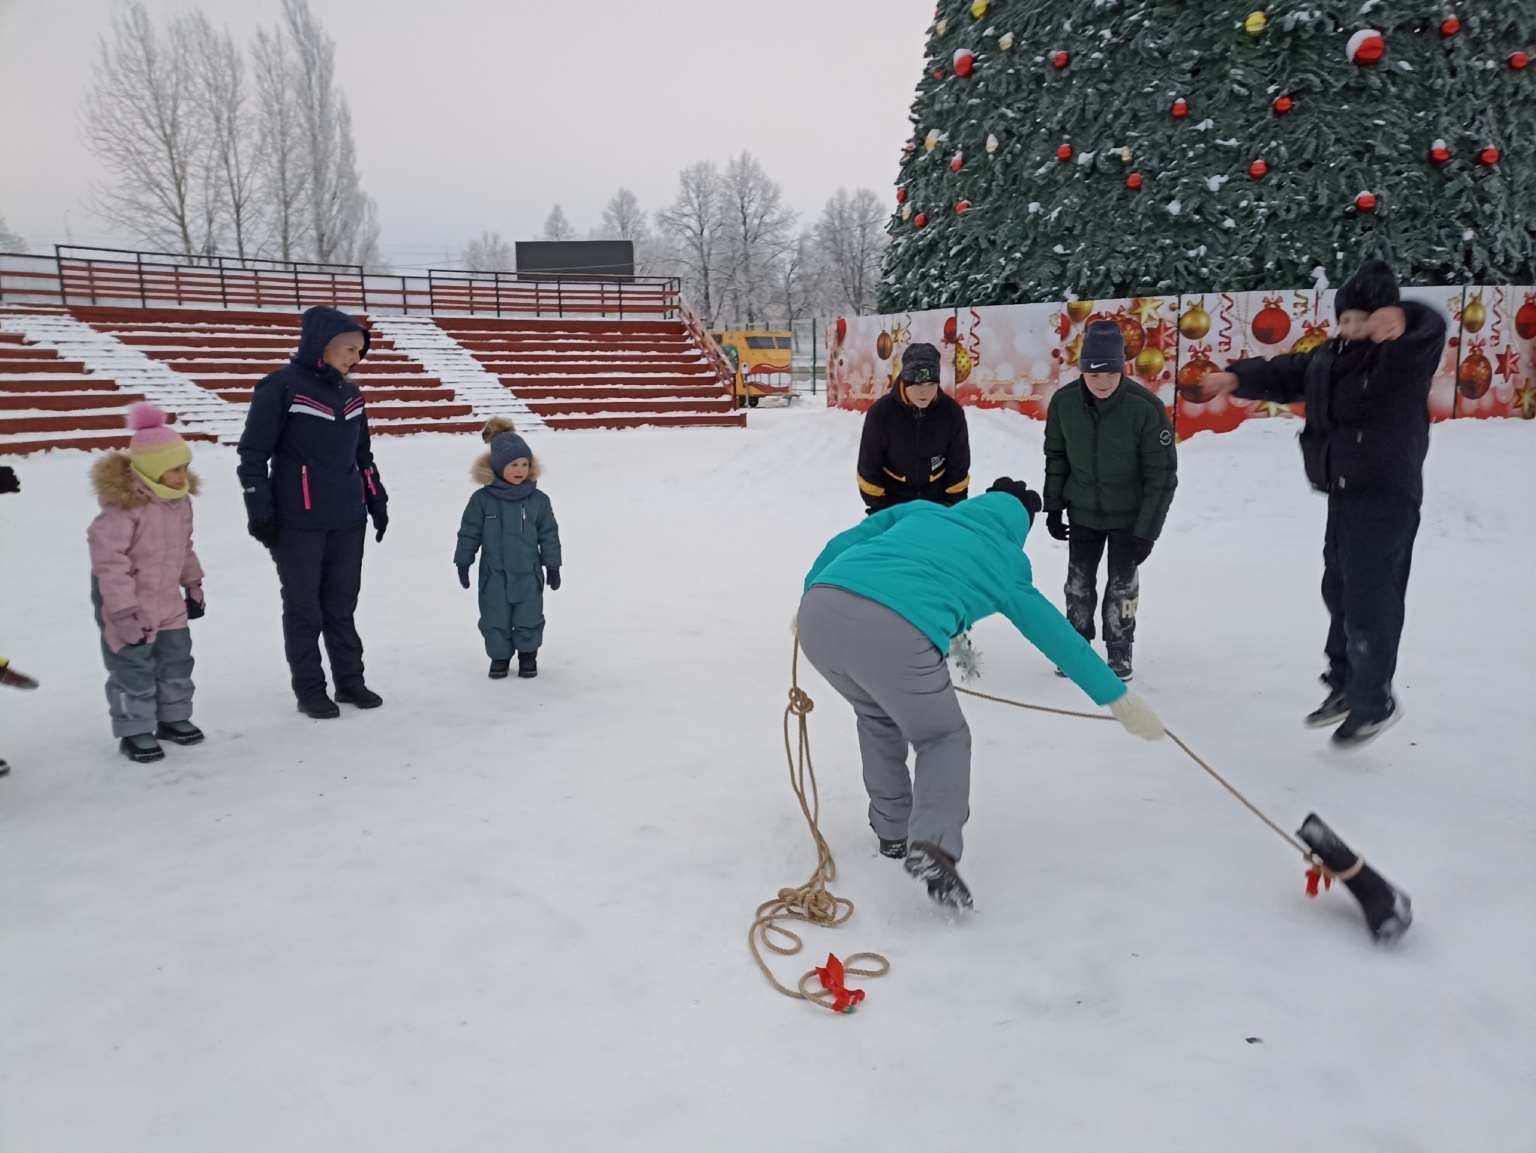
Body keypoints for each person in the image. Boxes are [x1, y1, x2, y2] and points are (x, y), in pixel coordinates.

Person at [796, 477, 1166, 911]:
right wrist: (1118, 699)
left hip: (819, 614)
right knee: (942, 737)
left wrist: (810, 592)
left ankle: (892, 832)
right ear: (1020, 527)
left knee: (877, 716)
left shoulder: (923, 511)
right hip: (896, 633)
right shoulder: (1007, 563)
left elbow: (845, 540)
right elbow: (1057, 636)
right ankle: (931, 844)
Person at [1188, 260, 1445, 749]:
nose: (1351, 329)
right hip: (1344, 492)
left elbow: (1427, 333)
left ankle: (1375, 701)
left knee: (1372, 597)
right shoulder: (1331, 357)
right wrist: (1235, 379)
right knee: (1339, 590)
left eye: (1362, 321)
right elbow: (1288, 371)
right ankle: (1346, 685)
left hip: (1386, 495)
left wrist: (1406, 318)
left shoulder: (1398, 359)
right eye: (1345, 320)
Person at [237, 306, 389, 720]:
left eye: (360, 351)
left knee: (341, 604)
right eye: (349, 349)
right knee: (305, 607)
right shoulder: (280, 388)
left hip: (347, 518)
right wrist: (260, 510)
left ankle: (350, 681)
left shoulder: (352, 395)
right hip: (298, 521)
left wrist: (376, 500)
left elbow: (363, 457)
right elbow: (253, 455)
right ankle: (309, 688)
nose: (355, 358)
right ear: (323, 345)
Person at [1043, 319, 1178, 682]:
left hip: (1128, 518)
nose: (1102, 382)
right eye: (1093, 374)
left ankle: (1120, 649)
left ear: (1123, 368)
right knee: (1078, 585)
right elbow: (1056, 456)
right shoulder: (1064, 403)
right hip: (1083, 511)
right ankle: (1075, 647)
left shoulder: (1145, 409)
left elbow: (1161, 476)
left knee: (1122, 587)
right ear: (1083, 370)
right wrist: (1053, 506)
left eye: (1110, 373)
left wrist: (1147, 531)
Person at [86, 404, 206, 763]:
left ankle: (172, 718)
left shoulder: (179, 502)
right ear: (153, 470)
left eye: (185, 466)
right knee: (133, 665)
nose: (184, 474)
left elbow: (184, 547)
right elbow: (109, 564)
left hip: (167, 597)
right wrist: (122, 611)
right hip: (128, 601)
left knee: (176, 659)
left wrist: (194, 585)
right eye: (175, 468)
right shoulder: (123, 509)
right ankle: (135, 728)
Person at [455, 420, 562, 680]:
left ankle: (528, 656)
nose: (519, 470)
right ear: (498, 467)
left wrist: (553, 565)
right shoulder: (482, 500)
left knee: (530, 616)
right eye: (513, 465)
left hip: (528, 573)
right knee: (494, 618)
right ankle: (499, 657)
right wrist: (463, 561)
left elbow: (549, 534)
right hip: (494, 575)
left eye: (524, 464)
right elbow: (470, 532)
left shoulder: (538, 500)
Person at [855, 342, 971, 514]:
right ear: (905, 381)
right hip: (891, 505)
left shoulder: (951, 413)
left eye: (931, 384)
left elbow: (958, 468)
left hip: (938, 505)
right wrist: (879, 510)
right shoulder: (881, 413)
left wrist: (951, 508)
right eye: (917, 385)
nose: (924, 392)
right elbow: (868, 469)